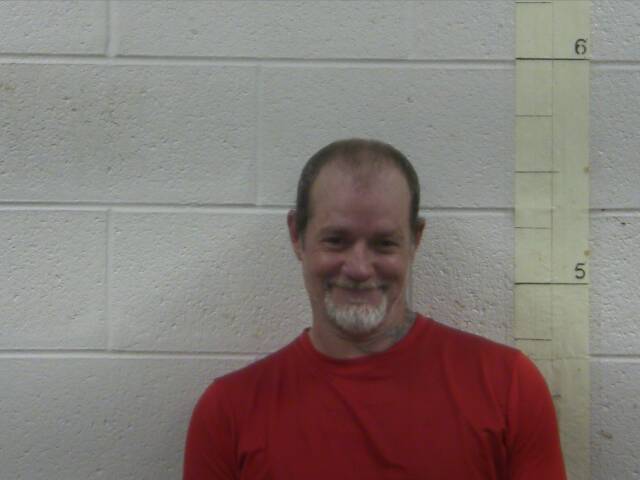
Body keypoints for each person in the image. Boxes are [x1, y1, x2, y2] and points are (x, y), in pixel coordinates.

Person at [183, 138, 566, 479]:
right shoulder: (227, 414)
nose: (359, 268)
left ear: (415, 240)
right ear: (297, 235)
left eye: (384, 243)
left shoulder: (508, 388)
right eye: (336, 240)